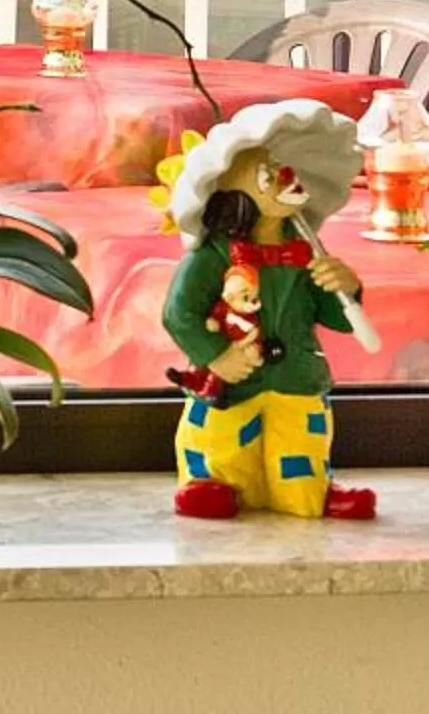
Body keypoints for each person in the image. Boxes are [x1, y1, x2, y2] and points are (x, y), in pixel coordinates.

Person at [160, 99, 376, 521]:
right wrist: (216, 355)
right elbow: (178, 312)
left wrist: (345, 287)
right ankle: (212, 482)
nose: (284, 179)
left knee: (300, 439)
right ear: (232, 191)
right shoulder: (212, 256)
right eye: (268, 173)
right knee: (220, 438)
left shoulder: (306, 252)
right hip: (231, 382)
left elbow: (335, 318)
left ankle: (308, 488)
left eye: (285, 169)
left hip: (296, 375)